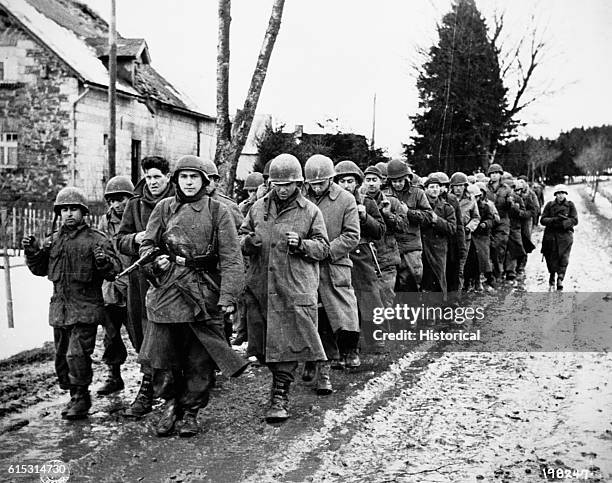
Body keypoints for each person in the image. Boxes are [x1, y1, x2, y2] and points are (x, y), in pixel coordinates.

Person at [138, 155, 248, 437]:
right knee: (163, 357)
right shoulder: (163, 208)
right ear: (176, 180)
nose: (188, 182)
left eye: (194, 177)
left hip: (203, 290)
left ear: (204, 181)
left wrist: (227, 297)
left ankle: (190, 412)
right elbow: (147, 245)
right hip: (167, 291)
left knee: (199, 361)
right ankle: (171, 403)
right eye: (184, 177)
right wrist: (155, 261)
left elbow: (232, 259)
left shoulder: (217, 211)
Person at [240, 153, 329, 423]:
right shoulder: (257, 208)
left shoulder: (310, 211)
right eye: (277, 184)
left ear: (299, 184)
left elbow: (323, 248)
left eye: (287, 184)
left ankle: (280, 396)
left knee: (287, 344)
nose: (281, 189)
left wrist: (302, 244)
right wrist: (248, 242)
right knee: (266, 346)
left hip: (292, 286)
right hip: (261, 287)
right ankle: (284, 380)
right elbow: (241, 235)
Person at [23, 187, 119, 420]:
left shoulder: (96, 240)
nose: (69, 214)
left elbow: (113, 271)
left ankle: (81, 399)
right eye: (64, 209)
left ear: (83, 212)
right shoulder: (53, 241)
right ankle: (73, 394)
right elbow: (39, 269)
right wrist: (32, 252)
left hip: (85, 308)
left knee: (76, 355)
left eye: (74, 209)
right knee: (62, 356)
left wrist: (103, 262)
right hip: (60, 309)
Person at [116, 155, 175, 418]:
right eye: (148, 177)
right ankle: (149, 387)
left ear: (167, 177)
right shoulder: (135, 205)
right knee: (143, 331)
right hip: (141, 280)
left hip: (173, 278)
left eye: (157, 177)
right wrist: (136, 238)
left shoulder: (179, 201)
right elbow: (119, 240)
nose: (152, 182)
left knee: (172, 334)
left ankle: (173, 392)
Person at [303, 155, 360, 391]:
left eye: (321, 183)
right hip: (305, 265)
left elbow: (351, 235)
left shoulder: (345, 200)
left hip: (333, 265)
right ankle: (313, 360)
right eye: (312, 183)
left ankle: (347, 350)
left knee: (339, 316)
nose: (316, 187)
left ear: (330, 179)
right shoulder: (301, 198)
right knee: (309, 317)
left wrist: (325, 250)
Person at [335, 160, 386, 350]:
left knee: (370, 296)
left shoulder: (367, 202)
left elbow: (380, 230)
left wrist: (365, 217)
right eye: (342, 181)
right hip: (339, 253)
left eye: (350, 181)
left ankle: (375, 335)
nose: (346, 185)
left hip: (361, 254)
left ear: (357, 182)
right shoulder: (332, 204)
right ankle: (347, 343)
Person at [97, 176, 135, 395]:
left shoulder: (138, 219)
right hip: (111, 286)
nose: (116, 205)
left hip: (134, 285)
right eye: (112, 200)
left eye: (121, 199)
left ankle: (151, 378)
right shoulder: (104, 222)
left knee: (140, 334)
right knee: (111, 335)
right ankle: (114, 376)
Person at [362, 165, 408, 308]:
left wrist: (388, 214)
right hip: (366, 259)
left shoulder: (392, 201)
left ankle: (388, 329)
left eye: (374, 179)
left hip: (387, 259)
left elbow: (403, 227)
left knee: (386, 299)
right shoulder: (359, 201)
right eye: (368, 179)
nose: (371, 183)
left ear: (381, 181)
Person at [385, 159, 432, 292]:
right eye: (394, 181)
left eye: (400, 180)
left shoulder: (417, 193)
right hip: (392, 244)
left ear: (407, 178)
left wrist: (409, 213)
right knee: (394, 283)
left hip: (412, 244)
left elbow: (429, 216)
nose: (397, 184)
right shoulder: (384, 194)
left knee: (414, 277)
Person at [420, 175, 457, 298]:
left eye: (437, 187)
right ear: (425, 189)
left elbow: (452, 228)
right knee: (425, 278)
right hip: (423, 246)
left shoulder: (447, 207)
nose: (434, 190)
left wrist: (437, 220)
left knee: (439, 276)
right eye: (431, 187)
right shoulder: (420, 205)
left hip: (439, 247)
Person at [540, 184, 578, 290]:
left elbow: (575, 220)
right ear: (555, 195)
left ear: (565, 194)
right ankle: (552, 274)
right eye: (558, 193)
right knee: (550, 257)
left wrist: (564, 223)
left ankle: (560, 278)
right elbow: (542, 220)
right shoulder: (549, 205)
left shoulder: (570, 205)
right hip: (550, 236)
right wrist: (554, 220)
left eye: (562, 193)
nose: (560, 195)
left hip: (565, 237)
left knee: (564, 258)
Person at [449, 172, 480, 291]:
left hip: (465, 237)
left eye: (461, 186)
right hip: (451, 236)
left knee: (461, 267)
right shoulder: (448, 199)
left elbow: (476, 217)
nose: (458, 189)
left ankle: (457, 294)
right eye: (455, 186)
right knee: (451, 265)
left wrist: (469, 227)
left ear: (465, 186)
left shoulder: (471, 200)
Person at [464, 183, 496, 291]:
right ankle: (468, 282)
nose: (474, 199)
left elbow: (491, 219)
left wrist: (485, 224)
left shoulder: (485, 207)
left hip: (482, 236)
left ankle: (479, 280)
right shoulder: (466, 205)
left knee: (481, 260)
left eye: (477, 197)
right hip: (469, 235)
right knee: (469, 261)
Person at [486, 163, 513, 283]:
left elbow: (512, 207)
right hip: (490, 220)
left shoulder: (506, 189)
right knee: (490, 247)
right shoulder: (486, 189)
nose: (494, 175)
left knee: (499, 246)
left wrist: (510, 203)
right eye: (492, 173)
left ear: (500, 175)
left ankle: (498, 272)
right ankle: (493, 272)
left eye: (496, 173)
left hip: (503, 221)